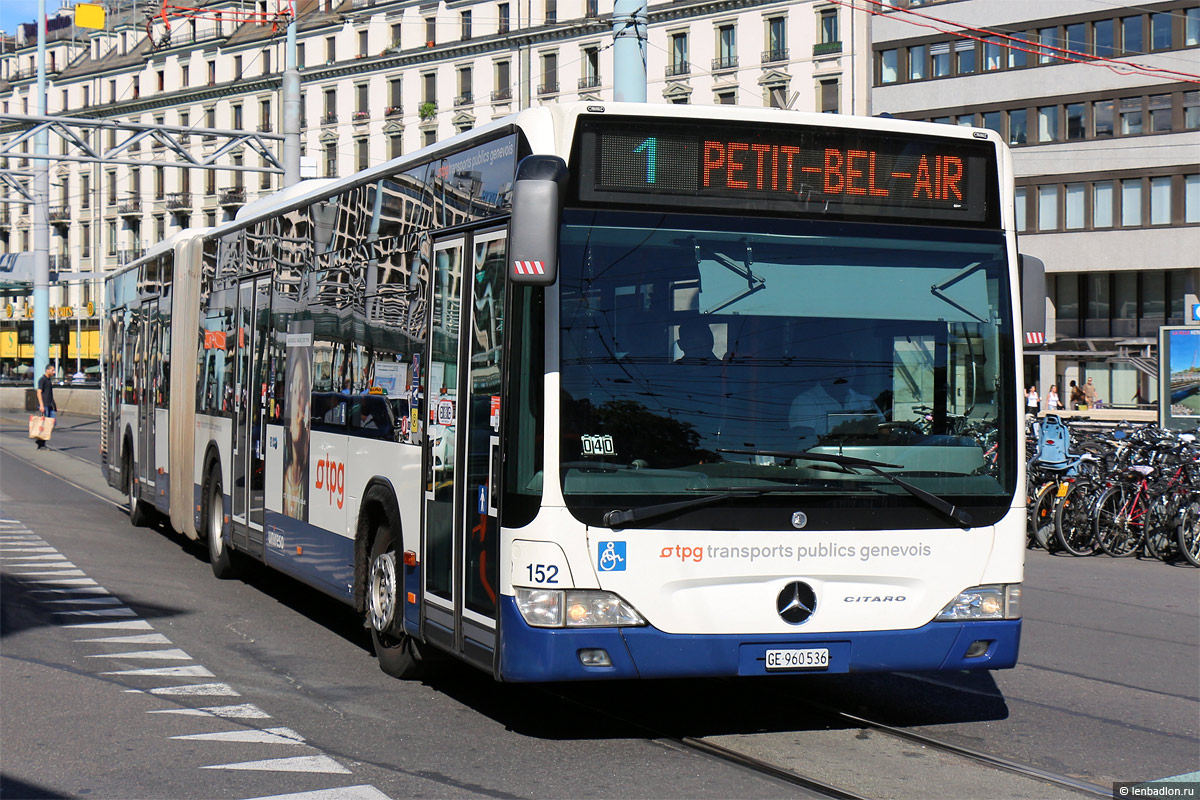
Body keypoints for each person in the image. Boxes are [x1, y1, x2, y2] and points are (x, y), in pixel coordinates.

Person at [789, 346, 883, 446]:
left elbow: (884, 435)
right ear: (823, 370)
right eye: (838, 366)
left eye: (850, 366)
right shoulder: (805, 401)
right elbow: (806, 443)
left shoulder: (866, 402)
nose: (845, 372)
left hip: (866, 461)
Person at [35, 364, 57, 450]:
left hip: (50, 405)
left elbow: (49, 393)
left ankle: (40, 442)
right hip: (44, 405)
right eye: (52, 370)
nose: (54, 372)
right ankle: (41, 444)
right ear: (47, 370)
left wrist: (54, 405)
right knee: (44, 425)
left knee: (52, 423)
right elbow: (39, 392)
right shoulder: (42, 380)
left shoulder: (48, 380)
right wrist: (41, 405)